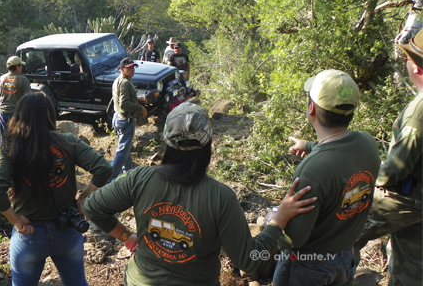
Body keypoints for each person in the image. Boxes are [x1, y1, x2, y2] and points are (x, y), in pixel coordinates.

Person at [82, 103, 317, 286]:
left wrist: (126, 236)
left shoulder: (140, 178)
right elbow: (250, 260)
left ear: (166, 140)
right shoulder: (221, 197)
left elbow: (92, 207)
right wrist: (277, 222)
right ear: (210, 142)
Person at [0, 92, 113, 286]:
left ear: (19, 115)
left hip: (29, 233)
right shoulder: (68, 141)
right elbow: (104, 169)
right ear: (49, 115)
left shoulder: (12, 147)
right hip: (68, 230)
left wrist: (16, 220)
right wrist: (83, 199)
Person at [274, 69, 381, 286]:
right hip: (345, 258)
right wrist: (310, 145)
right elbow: (340, 147)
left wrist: (275, 223)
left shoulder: (312, 170)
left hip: (308, 266)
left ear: (311, 108)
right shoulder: (368, 144)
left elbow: (294, 239)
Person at [353, 30, 423, 286]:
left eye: (408, 58)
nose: (405, 62)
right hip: (418, 202)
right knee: (412, 267)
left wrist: (372, 180)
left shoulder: (419, 109)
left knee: (337, 228)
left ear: (417, 68)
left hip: (405, 198)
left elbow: (396, 169)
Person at [110, 57, 147, 183]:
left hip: (117, 117)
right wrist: (140, 107)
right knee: (122, 152)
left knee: (125, 150)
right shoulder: (125, 82)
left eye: (133, 67)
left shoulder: (118, 80)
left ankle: (128, 175)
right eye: (129, 68)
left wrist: (136, 100)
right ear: (121, 69)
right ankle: (109, 180)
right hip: (125, 119)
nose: (132, 70)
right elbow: (124, 103)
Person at [0, 56, 31, 141]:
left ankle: (3, 153)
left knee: (4, 137)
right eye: (21, 66)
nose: (22, 68)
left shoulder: (1, 78)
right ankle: (15, 154)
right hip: (17, 113)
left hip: (3, 112)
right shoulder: (23, 79)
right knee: (17, 138)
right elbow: (28, 98)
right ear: (17, 67)